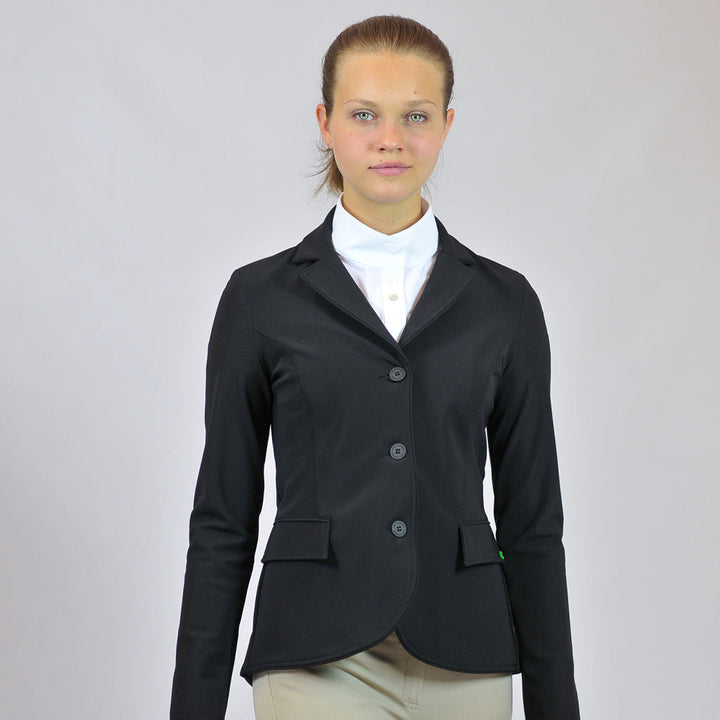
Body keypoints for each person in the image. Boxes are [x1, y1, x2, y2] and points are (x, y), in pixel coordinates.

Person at [170, 14, 580, 720]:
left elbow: (533, 523)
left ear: (446, 125)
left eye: (415, 115)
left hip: (467, 651)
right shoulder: (260, 298)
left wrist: (556, 706)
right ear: (326, 123)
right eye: (365, 114)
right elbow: (222, 521)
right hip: (314, 652)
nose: (391, 138)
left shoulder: (505, 303)